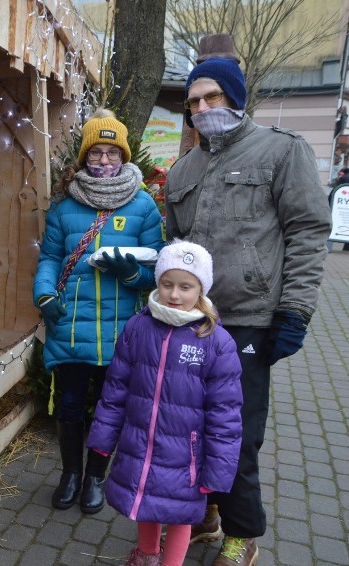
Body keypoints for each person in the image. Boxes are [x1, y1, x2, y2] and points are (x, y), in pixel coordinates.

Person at [165, 57, 331, 565]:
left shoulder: (281, 151)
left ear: (235, 98)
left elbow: (308, 231)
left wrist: (296, 311)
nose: (202, 108)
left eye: (212, 97)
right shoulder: (183, 169)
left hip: (251, 320)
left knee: (237, 436)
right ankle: (207, 517)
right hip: (195, 321)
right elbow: (175, 244)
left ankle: (244, 533)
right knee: (190, 427)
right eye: (194, 101)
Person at [33, 109, 165, 515]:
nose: (104, 161)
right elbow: (51, 258)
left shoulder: (143, 206)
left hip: (119, 332)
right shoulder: (63, 204)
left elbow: (155, 270)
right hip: (69, 325)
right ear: (84, 156)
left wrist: (131, 272)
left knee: (110, 410)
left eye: (112, 153)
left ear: (124, 157)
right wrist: (44, 297)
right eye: (96, 153)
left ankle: (95, 477)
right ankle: (70, 474)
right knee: (70, 406)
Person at [86, 240, 243, 566]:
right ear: (157, 282)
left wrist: (218, 469)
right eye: (167, 283)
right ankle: (146, 554)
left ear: (200, 289)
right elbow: (116, 389)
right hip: (140, 442)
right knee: (146, 499)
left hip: (185, 454)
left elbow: (225, 415)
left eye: (185, 286)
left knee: (180, 515)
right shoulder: (138, 328)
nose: (174, 294)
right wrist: (102, 439)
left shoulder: (215, 341)